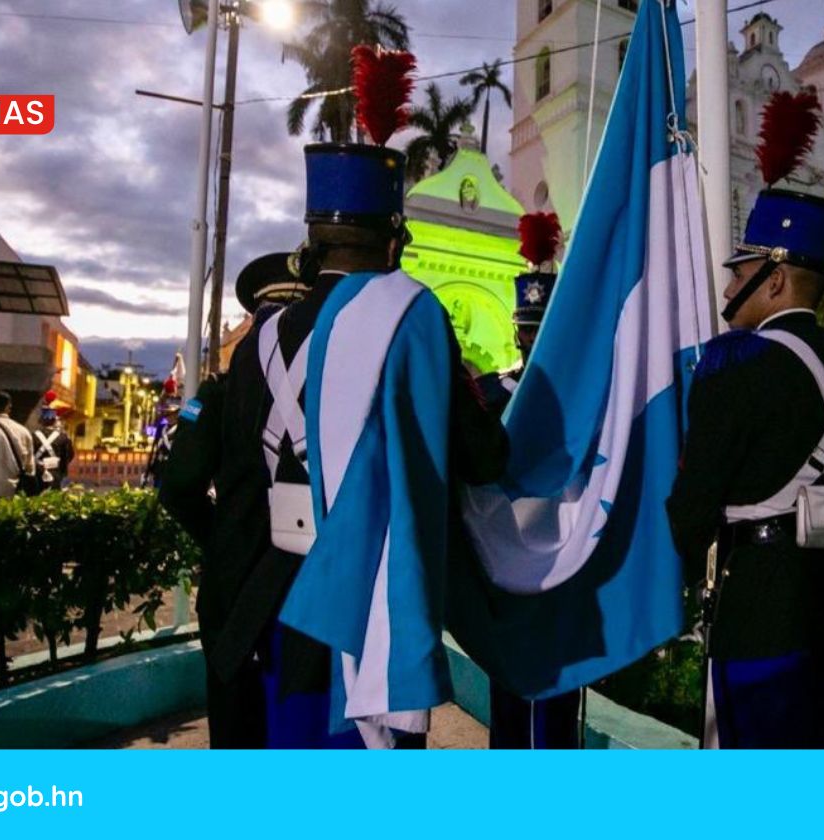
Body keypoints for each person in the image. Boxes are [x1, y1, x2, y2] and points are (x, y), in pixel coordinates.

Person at [268, 48, 507, 749]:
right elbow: (478, 454)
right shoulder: (411, 315)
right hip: (365, 610)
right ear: (394, 234)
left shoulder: (262, 337)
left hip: (277, 611)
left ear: (312, 236)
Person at [664, 101, 824, 748]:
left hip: (761, 615)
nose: (729, 282)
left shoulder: (734, 363)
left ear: (774, 280)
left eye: (739, 270)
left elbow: (693, 509)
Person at [159, 250, 313, 749]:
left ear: (253, 322)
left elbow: (180, 486)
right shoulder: (335, 394)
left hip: (236, 585)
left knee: (236, 729)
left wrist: (223, 534)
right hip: (311, 585)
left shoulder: (220, 394)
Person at [477, 212, 584, 750]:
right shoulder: (489, 395)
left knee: (560, 698)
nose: (532, 339)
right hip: (505, 561)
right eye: (528, 329)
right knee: (512, 701)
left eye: (542, 331)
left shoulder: (581, 403)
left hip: (562, 563)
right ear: (517, 330)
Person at [33, 401, 75, 492]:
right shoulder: (63, 437)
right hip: (55, 473)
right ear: (54, 421)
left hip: (37, 473)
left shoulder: (33, 435)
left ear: (41, 420)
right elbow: (69, 456)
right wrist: (62, 471)